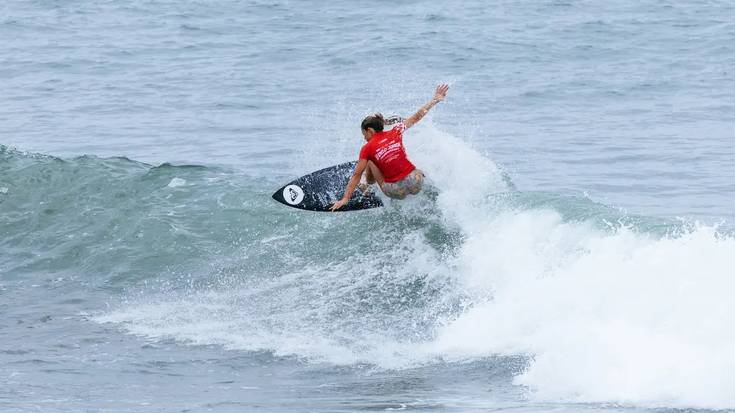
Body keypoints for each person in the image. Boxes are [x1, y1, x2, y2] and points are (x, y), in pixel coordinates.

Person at [329, 84, 449, 211]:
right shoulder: (396, 131)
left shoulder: (367, 148)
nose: (364, 138)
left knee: (370, 161)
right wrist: (435, 99)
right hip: (416, 182)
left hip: (396, 191)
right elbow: (417, 116)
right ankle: (420, 174)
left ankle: (367, 185)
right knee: (401, 155)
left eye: (364, 134)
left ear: (369, 130)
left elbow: (356, 175)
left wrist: (345, 198)